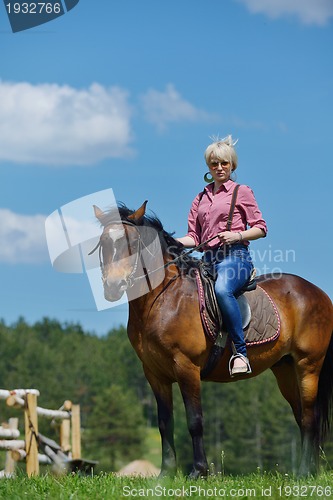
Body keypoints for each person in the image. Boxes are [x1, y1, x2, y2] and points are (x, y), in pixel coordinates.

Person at [177, 135, 267, 377]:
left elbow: (261, 227)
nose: (219, 168)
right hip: (206, 260)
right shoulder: (200, 198)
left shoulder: (242, 192)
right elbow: (193, 238)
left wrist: (237, 236)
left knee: (222, 290)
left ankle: (240, 353)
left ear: (232, 165)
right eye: (214, 164)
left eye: (224, 163)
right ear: (208, 166)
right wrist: (170, 242)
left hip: (235, 257)